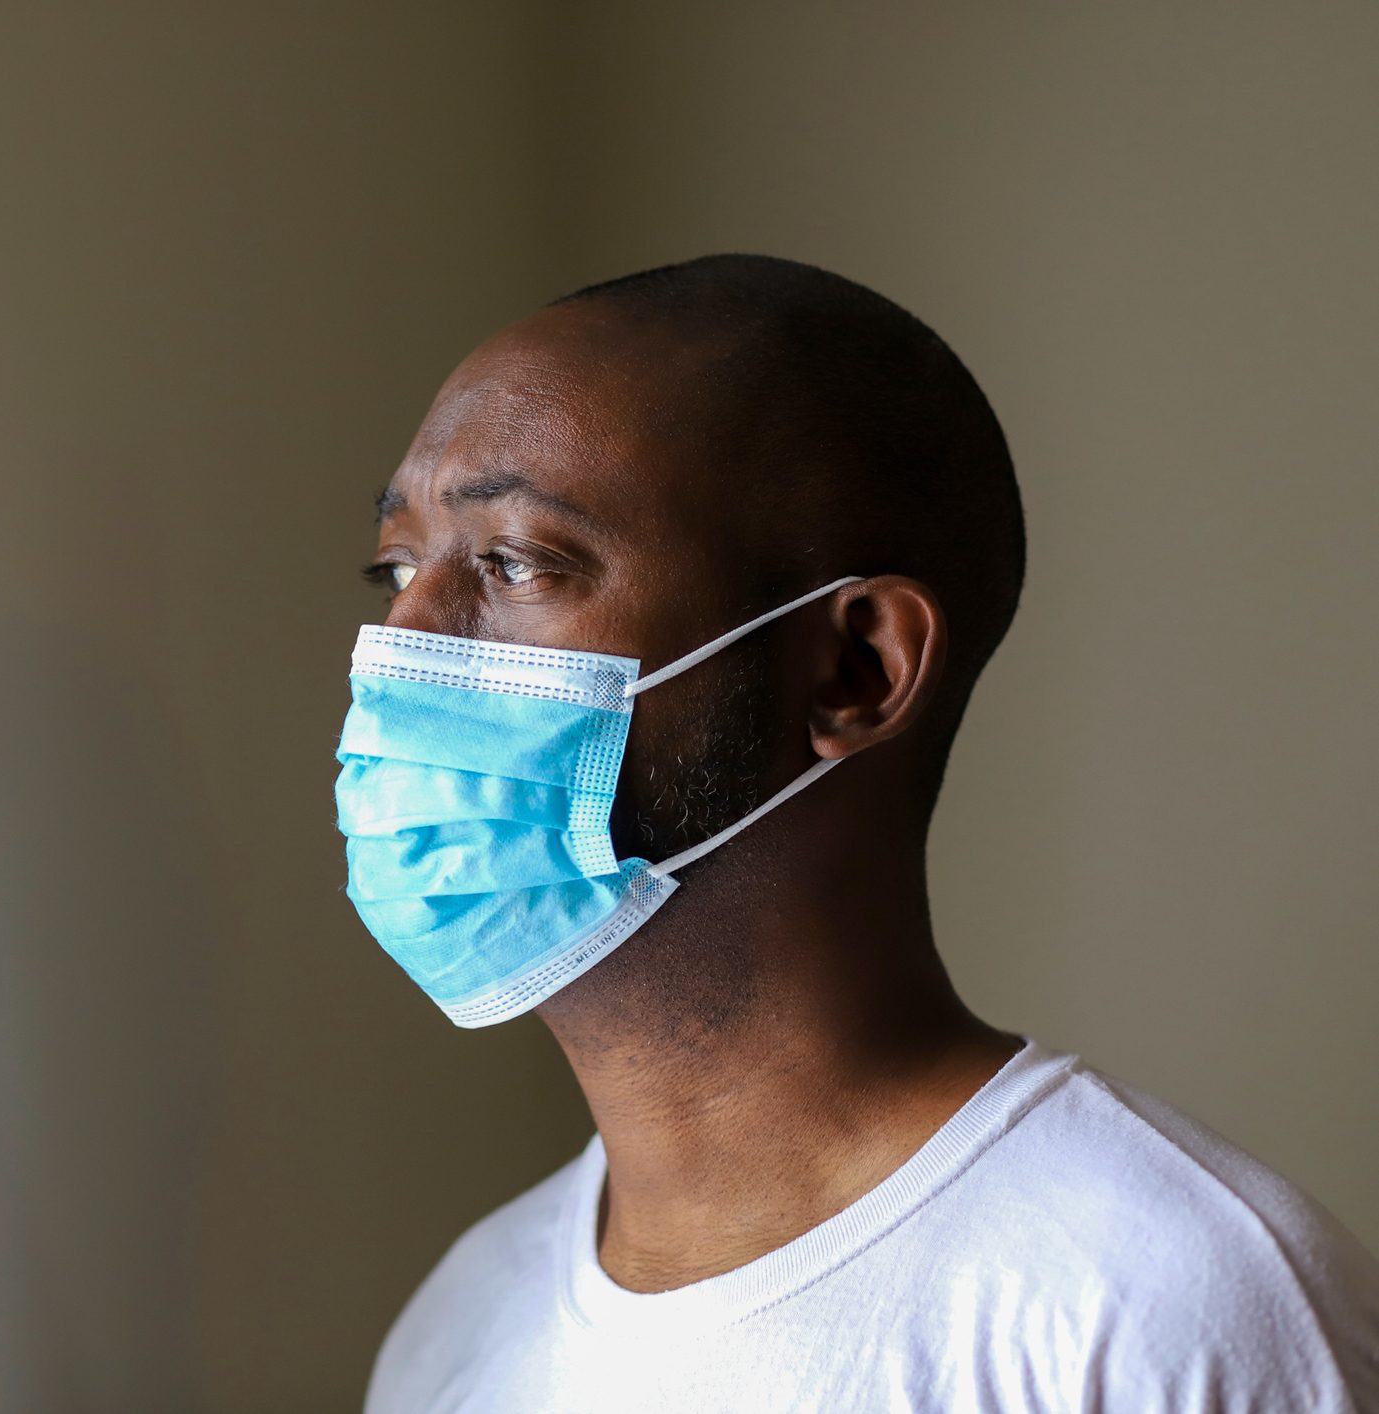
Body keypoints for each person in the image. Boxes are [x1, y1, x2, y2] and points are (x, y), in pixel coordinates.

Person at [335, 254, 1379, 1412]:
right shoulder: (458, 1328)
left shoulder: (1163, 1312)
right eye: (395, 566)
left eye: (514, 561)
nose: (400, 646)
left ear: (854, 668)